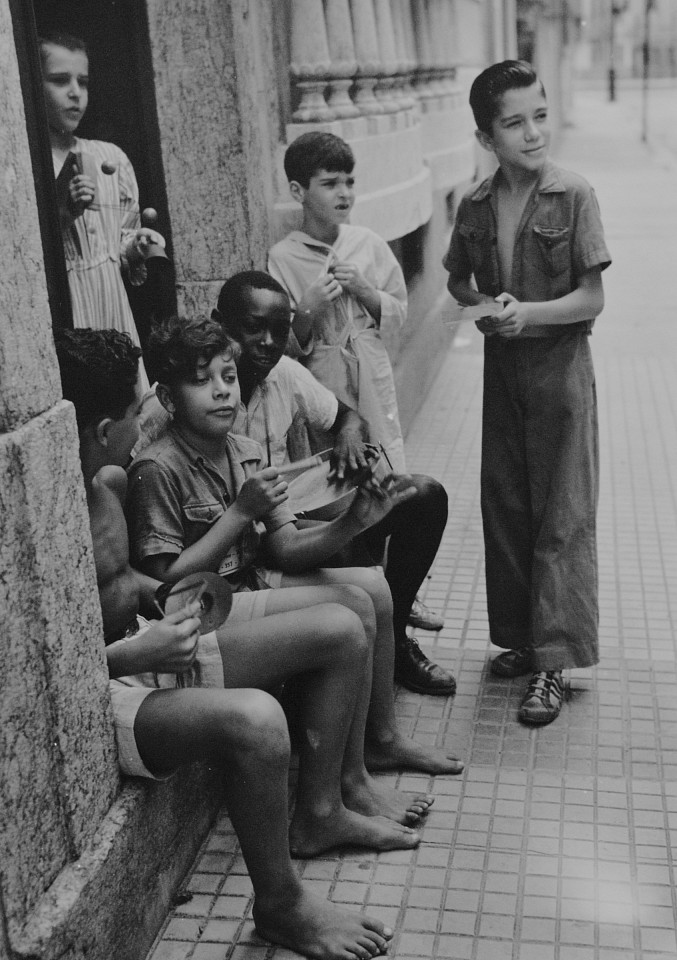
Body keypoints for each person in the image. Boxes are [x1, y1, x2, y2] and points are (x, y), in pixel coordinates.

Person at [55, 326, 406, 960]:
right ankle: (282, 905)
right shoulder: (70, 508)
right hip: (112, 682)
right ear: (108, 427)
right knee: (257, 720)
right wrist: (133, 652)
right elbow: (42, 673)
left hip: (151, 644)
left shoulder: (101, 485)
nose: (148, 420)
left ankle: (327, 806)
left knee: (344, 621)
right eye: (140, 410)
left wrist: (172, 612)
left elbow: (140, 581)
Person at [126, 315, 464, 782]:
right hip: (208, 608)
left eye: (228, 377)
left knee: (375, 588)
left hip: (251, 581)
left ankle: (381, 740)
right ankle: (340, 785)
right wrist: (240, 515)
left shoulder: (241, 448)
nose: (222, 391)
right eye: (201, 381)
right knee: (349, 613)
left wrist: (354, 521)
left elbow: (286, 549)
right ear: (167, 397)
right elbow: (168, 585)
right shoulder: (157, 468)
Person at [443, 61, 611, 725]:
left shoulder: (573, 194)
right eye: (513, 123)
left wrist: (526, 315)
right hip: (502, 377)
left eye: (538, 115)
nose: (532, 132)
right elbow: (456, 281)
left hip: (561, 376)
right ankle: (522, 639)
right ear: (486, 136)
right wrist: (485, 305)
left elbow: (591, 297)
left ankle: (554, 663)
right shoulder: (475, 205)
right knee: (507, 507)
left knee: (560, 517)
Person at [211, 269, 456, 697]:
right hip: (250, 538)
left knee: (424, 495)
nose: (267, 343)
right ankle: (345, 674)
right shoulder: (203, 394)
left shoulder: (284, 374)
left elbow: (346, 416)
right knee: (347, 552)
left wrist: (348, 438)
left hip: (289, 514)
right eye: (253, 329)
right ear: (220, 324)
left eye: (279, 330)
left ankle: (395, 640)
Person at [268, 131, 446, 636]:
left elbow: (397, 311)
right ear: (300, 192)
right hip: (324, 381)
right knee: (341, 480)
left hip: (370, 371)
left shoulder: (367, 244)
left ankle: (405, 596)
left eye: (350, 182)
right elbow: (283, 348)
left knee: (389, 470)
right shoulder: (283, 257)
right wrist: (307, 309)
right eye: (330, 183)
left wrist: (366, 291)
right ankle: (369, 589)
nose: (344, 193)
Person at [40, 31, 164, 392]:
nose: (75, 93)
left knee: (127, 403)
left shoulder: (110, 157)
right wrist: (63, 213)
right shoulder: (34, 163)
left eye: (83, 81)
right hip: (69, 306)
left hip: (111, 300)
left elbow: (119, 238)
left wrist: (136, 246)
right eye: (60, 81)